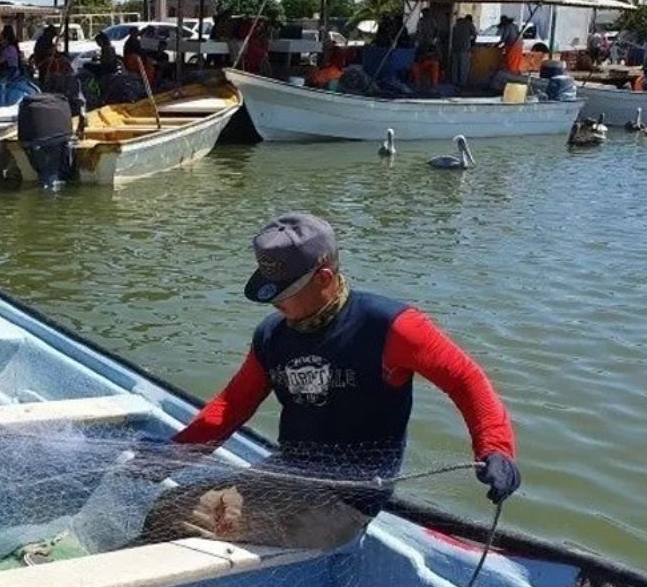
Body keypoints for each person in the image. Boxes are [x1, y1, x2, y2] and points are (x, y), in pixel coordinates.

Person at [163, 213, 519, 539]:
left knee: (199, 527)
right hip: (287, 475)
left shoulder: (391, 327)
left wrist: (496, 448)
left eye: (284, 292)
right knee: (168, 507)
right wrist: (169, 456)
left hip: (346, 500)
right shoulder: (272, 336)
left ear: (324, 278)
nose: (274, 303)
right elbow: (231, 407)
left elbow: (465, 379)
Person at [451, 15, 477, 88]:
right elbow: (474, 35)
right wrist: (472, 44)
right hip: (465, 48)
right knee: (463, 67)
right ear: (470, 19)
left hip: (455, 48)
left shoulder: (456, 25)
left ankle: (454, 81)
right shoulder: (469, 24)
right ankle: (462, 83)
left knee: (455, 67)